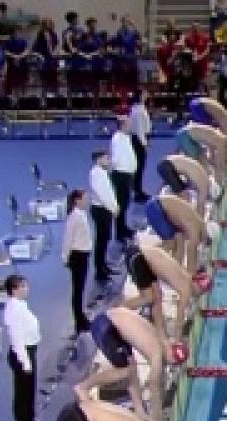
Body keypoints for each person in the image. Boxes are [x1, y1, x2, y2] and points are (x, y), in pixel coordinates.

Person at [75, 307, 165, 421]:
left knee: (131, 367)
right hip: (106, 329)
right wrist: (157, 418)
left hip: (109, 322)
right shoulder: (157, 354)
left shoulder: (159, 340)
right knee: (126, 371)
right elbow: (154, 383)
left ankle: (140, 411)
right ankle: (83, 387)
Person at [3, 274, 47, 421]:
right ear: (14, 290)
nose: (27, 289)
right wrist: (25, 362)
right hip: (23, 355)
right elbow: (16, 338)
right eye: (23, 286)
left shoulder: (19, 305)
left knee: (27, 392)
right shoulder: (14, 310)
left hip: (27, 353)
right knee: (24, 394)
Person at [61, 190, 92, 335]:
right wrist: (65, 257)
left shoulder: (81, 215)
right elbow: (68, 239)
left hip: (83, 255)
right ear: (77, 201)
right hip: (77, 256)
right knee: (78, 290)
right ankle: (79, 321)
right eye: (84, 198)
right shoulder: (74, 217)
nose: (87, 201)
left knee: (80, 289)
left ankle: (81, 318)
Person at [108, 112, 138, 247]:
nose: (131, 125)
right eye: (129, 123)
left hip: (126, 175)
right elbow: (116, 159)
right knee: (120, 205)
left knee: (124, 204)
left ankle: (123, 228)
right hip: (120, 175)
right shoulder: (118, 139)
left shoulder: (125, 137)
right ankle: (119, 233)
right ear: (123, 126)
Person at [87, 151, 118, 284]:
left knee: (105, 238)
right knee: (101, 240)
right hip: (101, 209)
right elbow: (102, 194)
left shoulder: (102, 172)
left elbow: (109, 192)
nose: (108, 160)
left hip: (105, 208)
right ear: (98, 159)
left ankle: (103, 265)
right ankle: (99, 271)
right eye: (106, 158)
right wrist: (112, 207)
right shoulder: (96, 174)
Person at [127, 93, 152, 204]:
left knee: (139, 167)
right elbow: (140, 130)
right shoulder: (138, 111)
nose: (147, 94)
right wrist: (144, 144)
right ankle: (138, 192)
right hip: (138, 140)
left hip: (138, 139)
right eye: (144, 93)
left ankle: (136, 189)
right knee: (139, 167)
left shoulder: (139, 108)